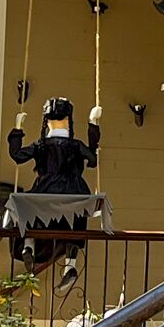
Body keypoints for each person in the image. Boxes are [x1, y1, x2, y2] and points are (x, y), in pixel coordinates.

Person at [6, 97, 100, 290]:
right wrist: (93, 124)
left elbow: (17, 156)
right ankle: (70, 264)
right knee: (77, 220)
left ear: (47, 122)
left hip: (45, 190)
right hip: (73, 192)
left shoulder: (41, 145)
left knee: (29, 206)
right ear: (68, 122)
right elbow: (92, 160)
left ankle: (29, 244)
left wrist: (17, 129)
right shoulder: (75, 145)